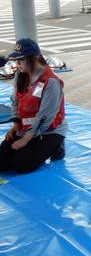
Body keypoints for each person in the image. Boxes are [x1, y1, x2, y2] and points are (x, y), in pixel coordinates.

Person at [0, 39, 66, 174]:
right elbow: (15, 100)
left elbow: (45, 117)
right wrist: (16, 124)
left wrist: (25, 139)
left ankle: (56, 146)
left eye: (21, 60)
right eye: (16, 61)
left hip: (48, 130)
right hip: (26, 127)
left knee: (21, 165)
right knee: (2, 162)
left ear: (34, 58)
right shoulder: (21, 75)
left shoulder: (51, 81)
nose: (17, 64)